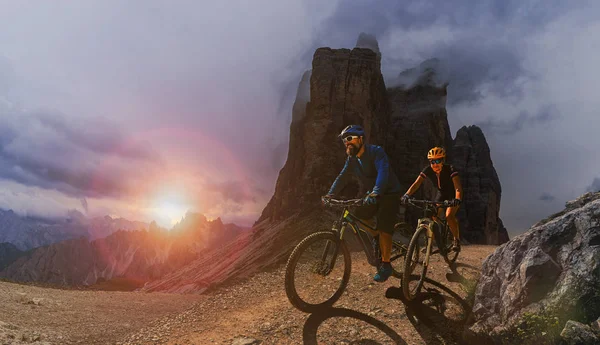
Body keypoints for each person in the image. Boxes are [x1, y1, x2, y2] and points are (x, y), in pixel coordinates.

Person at [323, 125, 402, 282]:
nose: (347, 142)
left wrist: (376, 191)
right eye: (345, 140)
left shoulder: (376, 152)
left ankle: (386, 266)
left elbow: (383, 172)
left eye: (350, 138)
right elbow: (342, 177)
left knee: (385, 228)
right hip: (372, 193)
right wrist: (330, 194)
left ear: (361, 139)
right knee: (358, 216)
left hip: (389, 192)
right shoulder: (352, 159)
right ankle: (375, 236)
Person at [401, 147, 463, 251]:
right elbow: (416, 184)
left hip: (452, 195)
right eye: (432, 161)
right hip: (441, 193)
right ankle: (429, 245)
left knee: (449, 215)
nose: (435, 164)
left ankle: (456, 240)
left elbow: (458, 188)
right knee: (433, 217)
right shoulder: (428, 170)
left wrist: (457, 199)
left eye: (438, 160)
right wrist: (407, 195)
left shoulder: (451, 169)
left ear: (443, 161)